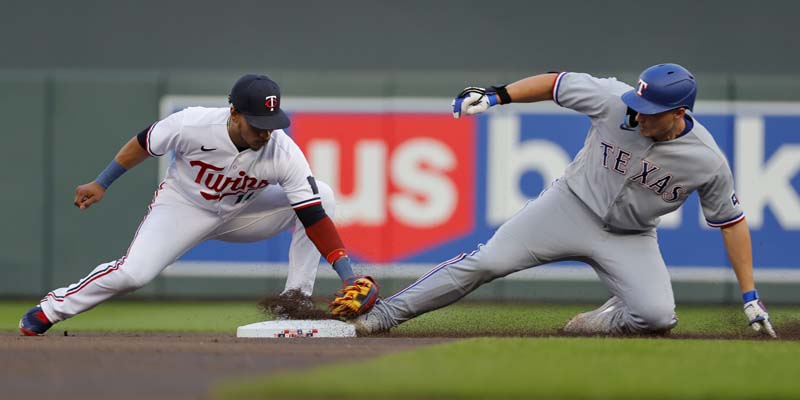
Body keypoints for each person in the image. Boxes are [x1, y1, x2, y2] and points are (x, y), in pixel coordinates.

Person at [350, 63, 776, 337]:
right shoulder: (614, 101)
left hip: (630, 237)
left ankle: (601, 319)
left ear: (680, 113)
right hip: (566, 207)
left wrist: (750, 296)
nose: (638, 113)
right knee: (487, 261)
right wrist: (498, 95)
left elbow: (731, 222)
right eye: (638, 102)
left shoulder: (706, 160)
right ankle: (386, 315)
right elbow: (557, 84)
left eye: (650, 109)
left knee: (657, 318)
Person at [19, 74, 378, 336]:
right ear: (234, 113)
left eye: (271, 124)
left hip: (245, 213)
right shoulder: (191, 123)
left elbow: (313, 216)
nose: (266, 132)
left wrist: (349, 275)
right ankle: (52, 309)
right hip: (183, 208)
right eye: (258, 124)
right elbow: (143, 143)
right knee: (133, 274)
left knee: (323, 195)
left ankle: (294, 304)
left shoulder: (283, 151)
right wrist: (102, 181)